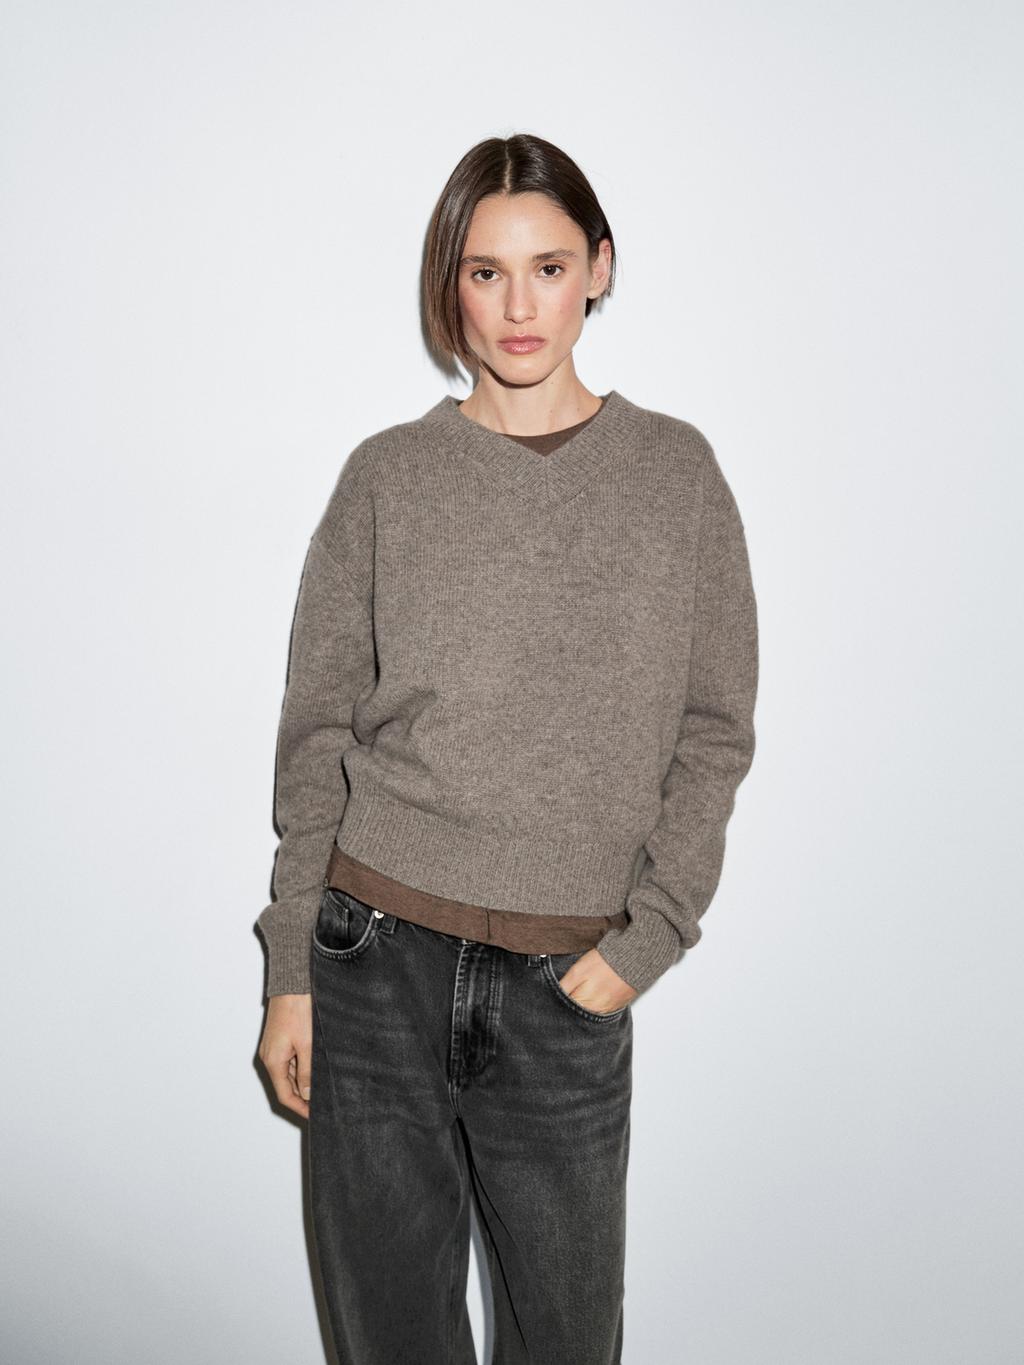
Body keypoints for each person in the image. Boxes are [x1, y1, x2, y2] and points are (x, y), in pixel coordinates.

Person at [255, 132, 759, 1365]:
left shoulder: (676, 475)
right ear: (452, 284)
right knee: (388, 1340)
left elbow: (713, 730)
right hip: (374, 960)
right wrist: (290, 969)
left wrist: (644, 944)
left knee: (567, 1341)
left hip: (566, 982)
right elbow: (320, 730)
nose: (518, 306)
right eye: (485, 273)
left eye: (547, 267)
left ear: (599, 269)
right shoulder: (387, 478)